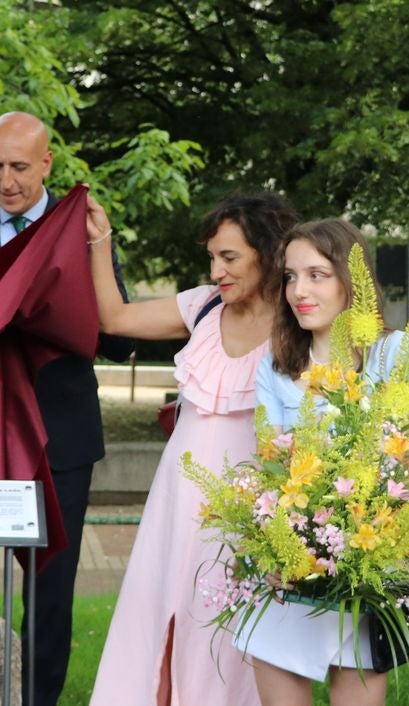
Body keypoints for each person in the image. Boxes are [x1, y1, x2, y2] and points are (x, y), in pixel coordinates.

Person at [0, 111, 133, 706]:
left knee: (50, 590)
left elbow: (117, 337)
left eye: (19, 166)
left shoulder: (81, 230)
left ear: (47, 163)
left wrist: (99, 251)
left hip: (61, 436)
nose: (6, 180)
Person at [85, 191, 298, 705]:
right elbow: (114, 320)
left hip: (249, 510)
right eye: (212, 258)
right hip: (177, 500)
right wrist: (100, 242)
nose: (218, 270)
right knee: (160, 619)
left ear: (268, 254)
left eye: (230, 257)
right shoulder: (202, 305)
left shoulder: (298, 322)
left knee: (228, 638)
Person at [242, 219, 408, 706]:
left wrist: (366, 544)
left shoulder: (390, 354)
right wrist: (276, 548)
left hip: (362, 569)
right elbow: (269, 466)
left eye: (317, 274)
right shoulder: (274, 366)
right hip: (287, 571)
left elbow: (408, 456)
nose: (299, 291)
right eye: (291, 276)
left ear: (349, 280)